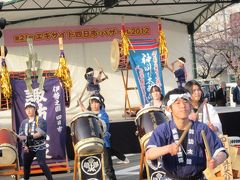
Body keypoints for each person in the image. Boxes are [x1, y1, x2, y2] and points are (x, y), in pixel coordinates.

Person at [146, 88, 227, 180]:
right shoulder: (162, 130)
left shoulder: (201, 128)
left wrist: (216, 160)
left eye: (186, 102)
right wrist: (168, 148)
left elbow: (221, 151)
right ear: (169, 108)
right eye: (177, 103)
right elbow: (149, 153)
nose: (183, 106)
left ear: (191, 106)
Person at [79, 94, 117, 180]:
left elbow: (100, 122)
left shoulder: (103, 114)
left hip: (104, 144)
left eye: (96, 102)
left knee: (108, 169)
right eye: (92, 103)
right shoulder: (88, 115)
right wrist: (83, 108)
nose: (94, 105)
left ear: (100, 103)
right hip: (92, 144)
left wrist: (85, 110)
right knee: (94, 170)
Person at [18, 102, 53, 180]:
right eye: (27, 109)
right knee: (26, 165)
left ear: (35, 109)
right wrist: (25, 145)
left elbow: (40, 134)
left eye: (30, 108)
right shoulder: (24, 123)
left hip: (39, 147)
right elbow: (21, 135)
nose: (28, 110)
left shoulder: (40, 120)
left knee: (42, 164)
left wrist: (27, 137)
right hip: (29, 147)